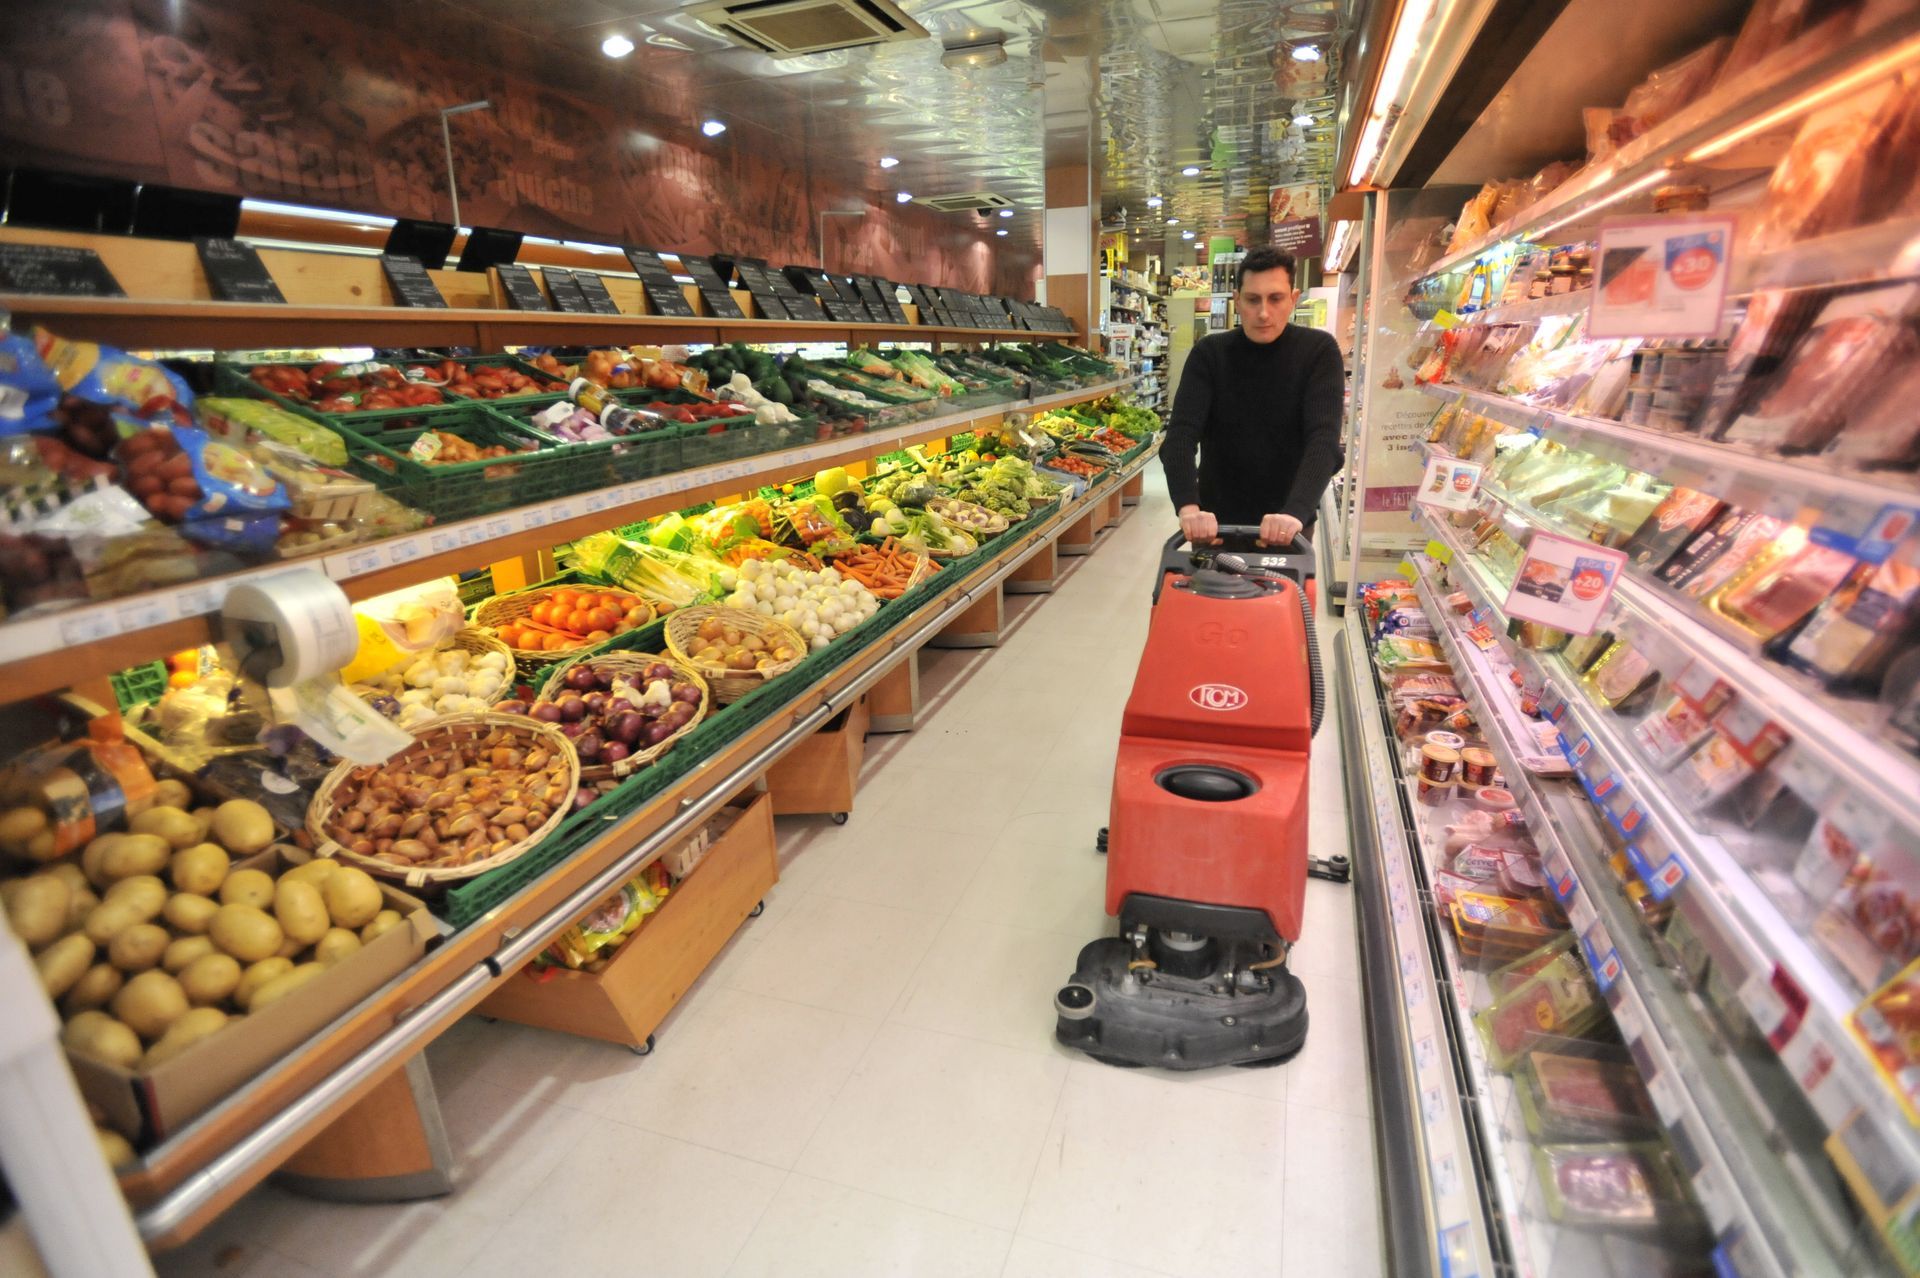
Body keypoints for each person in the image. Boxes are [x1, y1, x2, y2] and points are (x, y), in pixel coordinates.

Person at [1162, 246, 1345, 549]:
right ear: (1237, 300)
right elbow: (1180, 435)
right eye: (1252, 299)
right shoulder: (1210, 354)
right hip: (1215, 529)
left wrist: (1295, 513)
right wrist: (1188, 507)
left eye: (1275, 299)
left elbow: (1323, 441)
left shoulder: (1318, 352)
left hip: (1289, 528)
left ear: (1293, 299)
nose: (1263, 312)